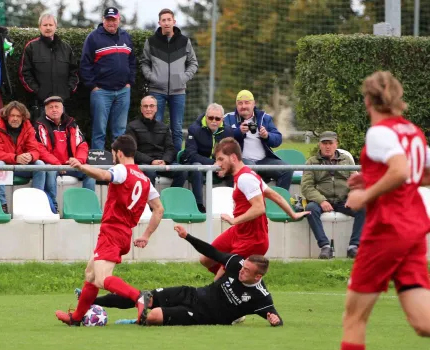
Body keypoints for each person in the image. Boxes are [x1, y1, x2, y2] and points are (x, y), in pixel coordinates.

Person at [336, 71, 430, 350]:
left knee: (354, 318)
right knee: (423, 323)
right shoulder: (412, 131)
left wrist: (366, 193)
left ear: (367, 100)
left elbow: (401, 170)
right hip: (414, 229)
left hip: (387, 230)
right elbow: (419, 172)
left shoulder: (379, 132)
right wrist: (374, 177)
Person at [55, 135, 164, 326]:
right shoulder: (145, 180)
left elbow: (104, 176)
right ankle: (76, 318)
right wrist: (146, 235)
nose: (114, 157)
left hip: (112, 231)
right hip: (124, 233)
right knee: (90, 275)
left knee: (103, 278)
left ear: (119, 153)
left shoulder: (122, 169)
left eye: (114, 154)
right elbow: (159, 209)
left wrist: (81, 166)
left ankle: (138, 296)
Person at [92, 225, 282, 327]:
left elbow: (275, 317)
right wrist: (187, 237)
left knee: (153, 317)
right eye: (243, 266)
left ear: (257, 277)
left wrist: (275, 320)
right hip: (192, 294)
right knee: (144, 298)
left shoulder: (260, 296)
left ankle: (134, 321)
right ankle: (94, 302)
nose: (242, 270)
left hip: (201, 315)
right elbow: (211, 251)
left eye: (247, 271)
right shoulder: (237, 263)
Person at [203, 137, 309, 280]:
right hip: (239, 232)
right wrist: (293, 214)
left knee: (219, 281)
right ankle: (235, 284)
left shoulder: (245, 178)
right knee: (206, 259)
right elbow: (274, 195)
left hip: (252, 239)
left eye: (221, 159)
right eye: (216, 160)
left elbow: (259, 208)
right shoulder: (245, 175)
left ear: (233, 158)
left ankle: (231, 284)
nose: (217, 164)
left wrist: (235, 220)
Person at [140, 8, 198, 153]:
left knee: (177, 129)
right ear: (159, 23)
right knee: (156, 128)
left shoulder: (184, 41)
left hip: (178, 92)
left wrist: (183, 78)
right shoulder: (151, 42)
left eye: (169, 20)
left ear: (174, 21)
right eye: (163, 20)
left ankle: (176, 162)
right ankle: (155, 159)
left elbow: (193, 63)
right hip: (156, 91)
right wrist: (152, 77)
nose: (166, 23)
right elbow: (144, 63)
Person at [301, 131, 364, 260]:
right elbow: (306, 187)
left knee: (364, 208)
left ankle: (353, 246)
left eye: (330, 143)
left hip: (343, 200)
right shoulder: (312, 162)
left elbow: (355, 182)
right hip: (321, 200)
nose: (327, 146)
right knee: (310, 210)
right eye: (324, 143)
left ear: (336, 144)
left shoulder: (346, 161)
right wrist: (322, 200)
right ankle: (325, 247)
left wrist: (352, 196)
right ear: (319, 145)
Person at [80, 7, 136, 150]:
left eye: (114, 19)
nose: (111, 23)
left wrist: (130, 82)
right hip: (101, 92)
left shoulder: (126, 36)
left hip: (123, 91)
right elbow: (85, 64)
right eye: (108, 19)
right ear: (103, 20)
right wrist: (93, 86)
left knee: (120, 132)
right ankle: (98, 167)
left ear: (119, 19)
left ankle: (119, 165)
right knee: (99, 131)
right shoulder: (93, 37)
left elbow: (132, 61)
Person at [0, 101, 57, 214]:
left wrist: (30, 156)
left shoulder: (28, 126)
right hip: (4, 164)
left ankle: (36, 203)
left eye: (18, 116)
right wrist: (15, 158)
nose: (15, 119)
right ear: (6, 116)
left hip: (21, 166)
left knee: (39, 164)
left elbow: (35, 149)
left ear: (23, 117)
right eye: (12, 115)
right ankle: (2, 206)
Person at [223, 90, 292, 190]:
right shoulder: (228, 118)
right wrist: (238, 132)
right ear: (236, 105)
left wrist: (267, 136)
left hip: (263, 160)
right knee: (251, 167)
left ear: (253, 104)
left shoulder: (264, 118)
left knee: (287, 170)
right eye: (240, 103)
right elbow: (222, 138)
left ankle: (280, 202)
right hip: (240, 160)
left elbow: (278, 139)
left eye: (247, 103)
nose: (243, 106)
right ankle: (252, 203)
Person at [34, 96, 95, 201]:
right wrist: (57, 164)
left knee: (90, 172)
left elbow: (82, 145)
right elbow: (40, 149)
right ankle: (53, 204)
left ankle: (88, 203)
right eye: (50, 107)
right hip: (53, 165)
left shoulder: (72, 124)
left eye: (57, 107)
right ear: (45, 110)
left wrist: (79, 160)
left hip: (72, 164)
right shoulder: (40, 126)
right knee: (50, 170)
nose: (54, 110)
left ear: (62, 109)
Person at [19, 12, 79, 117]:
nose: (48, 28)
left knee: (62, 132)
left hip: (62, 103)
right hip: (40, 103)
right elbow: (24, 73)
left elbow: (74, 72)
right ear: (40, 27)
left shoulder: (66, 48)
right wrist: (38, 91)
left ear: (55, 26)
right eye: (45, 25)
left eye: (50, 25)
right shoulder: (31, 47)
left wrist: (68, 90)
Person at [125, 95, 187, 189]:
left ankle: (170, 199)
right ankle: (151, 203)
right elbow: (132, 151)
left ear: (156, 108)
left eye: (151, 106)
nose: (148, 109)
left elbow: (170, 148)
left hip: (162, 163)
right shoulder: (132, 127)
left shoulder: (164, 127)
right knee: (149, 173)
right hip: (144, 164)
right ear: (141, 109)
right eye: (145, 106)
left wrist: (165, 161)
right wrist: (151, 161)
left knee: (182, 171)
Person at [182, 103, 234, 212]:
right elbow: (190, 154)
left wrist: (223, 167)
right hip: (199, 164)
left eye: (217, 118)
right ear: (206, 117)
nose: (214, 121)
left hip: (218, 166)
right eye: (210, 118)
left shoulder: (228, 131)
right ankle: (199, 206)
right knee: (197, 167)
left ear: (222, 119)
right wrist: (213, 164)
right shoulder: (194, 129)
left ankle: (233, 204)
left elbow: (231, 154)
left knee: (234, 169)